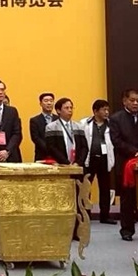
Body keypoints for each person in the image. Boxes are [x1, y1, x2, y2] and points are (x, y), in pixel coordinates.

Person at [109, 89, 138, 241]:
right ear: (125, 101)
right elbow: (116, 140)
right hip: (125, 163)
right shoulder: (116, 119)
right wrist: (136, 153)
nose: (135, 103)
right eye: (132, 100)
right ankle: (127, 230)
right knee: (127, 199)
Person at [45, 98, 89, 240]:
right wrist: (66, 163)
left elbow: (84, 147)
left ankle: (77, 231)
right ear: (58, 110)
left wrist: (78, 163)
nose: (70, 111)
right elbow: (51, 148)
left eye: (71, 108)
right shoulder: (51, 127)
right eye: (66, 108)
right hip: (62, 167)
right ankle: (61, 230)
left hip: (77, 167)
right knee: (61, 200)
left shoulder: (78, 126)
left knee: (77, 200)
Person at [80, 99, 116, 224]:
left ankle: (105, 215)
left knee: (105, 188)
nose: (106, 112)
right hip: (90, 159)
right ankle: (86, 213)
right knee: (86, 187)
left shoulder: (112, 124)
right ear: (95, 111)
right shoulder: (84, 123)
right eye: (103, 110)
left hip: (105, 159)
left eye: (107, 110)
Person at [29, 92, 57, 161]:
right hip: (41, 155)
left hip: (58, 155)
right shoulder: (34, 120)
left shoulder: (58, 119)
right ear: (41, 104)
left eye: (51, 101)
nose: (49, 103)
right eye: (46, 101)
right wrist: (49, 149)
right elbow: (35, 138)